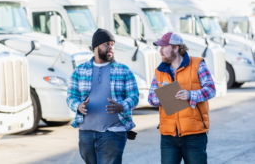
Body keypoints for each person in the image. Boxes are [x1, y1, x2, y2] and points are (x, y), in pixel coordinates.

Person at [66, 28, 139, 164]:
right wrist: (78, 106)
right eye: (106, 44)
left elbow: (134, 96)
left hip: (114, 131)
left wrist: (121, 106)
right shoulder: (80, 70)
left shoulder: (123, 70)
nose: (110, 47)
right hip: (86, 132)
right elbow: (71, 96)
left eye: (112, 44)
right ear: (96, 47)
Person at [148, 32, 216, 164]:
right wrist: (164, 95)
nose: (160, 51)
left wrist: (191, 95)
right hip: (168, 135)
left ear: (176, 48)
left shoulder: (197, 64)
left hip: (194, 134)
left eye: (164, 47)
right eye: (160, 47)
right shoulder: (159, 71)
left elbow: (211, 89)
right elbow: (151, 99)